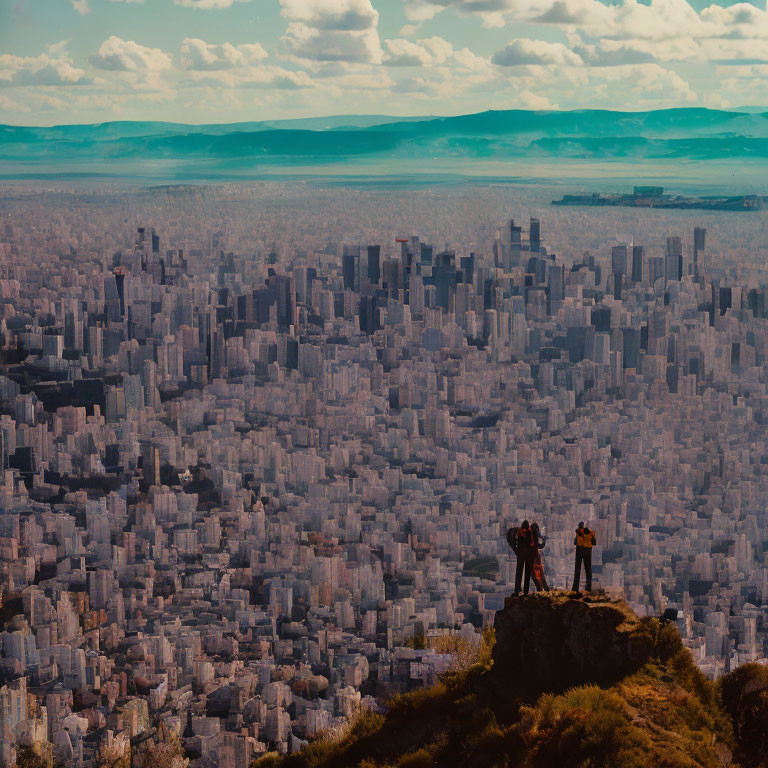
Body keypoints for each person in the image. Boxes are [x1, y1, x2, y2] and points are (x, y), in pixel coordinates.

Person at [507, 520, 535, 596]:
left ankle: (525, 591)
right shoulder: (518, 532)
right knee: (520, 572)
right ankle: (518, 590)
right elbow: (511, 538)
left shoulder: (530, 533)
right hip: (522, 554)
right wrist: (516, 550)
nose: (524, 531)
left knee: (526, 573)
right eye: (523, 530)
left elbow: (533, 544)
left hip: (527, 555)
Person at [572, 521, 597, 592]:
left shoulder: (578, 532)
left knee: (577, 569)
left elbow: (575, 542)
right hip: (587, 550)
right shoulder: (591, 532)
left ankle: (575, 588)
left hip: (579, 549)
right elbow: (594, 543)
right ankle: (588, 588)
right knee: (588, 569)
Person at [531, 522, 549, 591]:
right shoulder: (534, 535)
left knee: (535, 573)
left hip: (533, 556)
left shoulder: (530, 535)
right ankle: (543, 587)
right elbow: (540, 545)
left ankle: (541, 587)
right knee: (538, 572)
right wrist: (543, 539)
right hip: (534, 556)